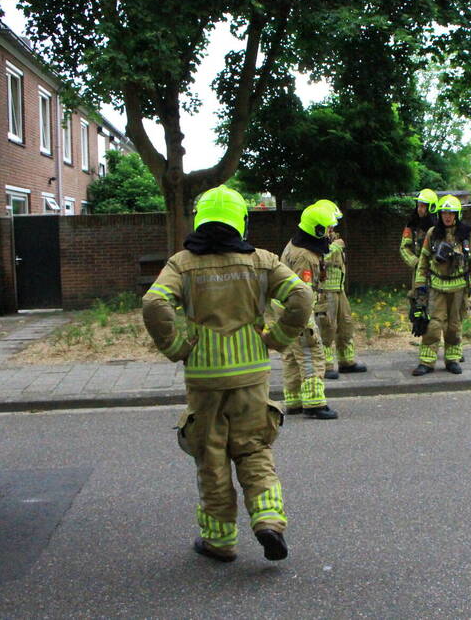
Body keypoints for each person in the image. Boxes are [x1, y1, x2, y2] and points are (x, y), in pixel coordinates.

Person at [142, 185, 312, 563]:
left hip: (205, 378)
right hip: (251, 375)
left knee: (212, 456)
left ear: (201, 219)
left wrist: (176, 348)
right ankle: (269, 520)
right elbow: (302, 297)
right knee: (254, 449)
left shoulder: (181, 264)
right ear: (241, 221)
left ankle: (219, 541)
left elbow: (154, 304)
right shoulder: (262, 261)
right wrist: (277, 337)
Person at [279, 202, 340, 419]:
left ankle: (294, 401)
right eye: (328, 229)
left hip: (285, 309)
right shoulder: (305, 256)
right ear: (317, 230)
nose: (330, 233)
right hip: (298, 310)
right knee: (310, 351)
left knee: (292, 357)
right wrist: (306, 321)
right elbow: (302, 292)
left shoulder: (294, 245)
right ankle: (314, 403)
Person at [412, 194, 471, 376]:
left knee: (454, 325)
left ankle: (452, 360)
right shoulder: (432, 233)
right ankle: (427, 362)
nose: (447, 216)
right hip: (436, 288)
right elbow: (423, 260)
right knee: (433, 325)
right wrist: (419, 284)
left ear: (457, 214)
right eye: (444, 213)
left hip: (459, 288)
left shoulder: (467, 234)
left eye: (451, 213)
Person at [316, 200, 367, 380]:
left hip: (339, 289)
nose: (332, 227)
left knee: (345, 324)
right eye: (330, 223)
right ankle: (326, 365)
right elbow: (318, 259)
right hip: (325, 290)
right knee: (327, 328)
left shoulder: (331, 237)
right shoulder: (315, 238)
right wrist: (335, 247)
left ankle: (347, 361)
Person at [400, 188, 438, 275]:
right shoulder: (412, 225)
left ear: (431, 207)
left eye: (422, 206)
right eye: (418, 205)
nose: (419, 209)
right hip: (420, 273)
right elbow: (404, 247)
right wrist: (416, 262)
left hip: (438, 273)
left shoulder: (440, 226)